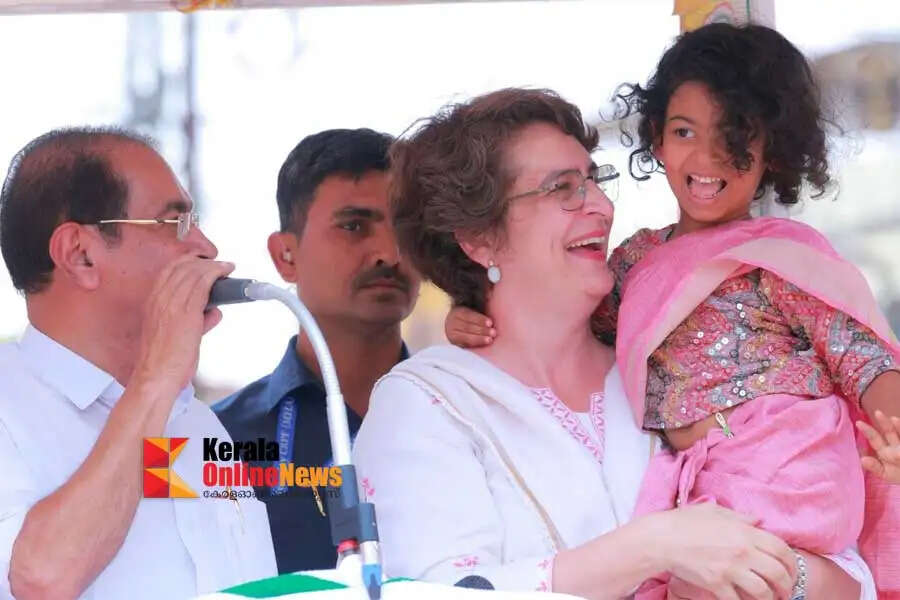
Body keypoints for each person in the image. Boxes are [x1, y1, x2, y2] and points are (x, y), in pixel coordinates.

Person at [352, 88, 872, 599]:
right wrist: (654, 547)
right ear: (478, 237)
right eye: (562, 188)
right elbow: (429, 592)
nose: (600, 206)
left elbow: (849, 569)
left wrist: (775, 575)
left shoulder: (666, 364)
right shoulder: (428, 403)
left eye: (594, 180)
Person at [0, 127, 276, 599]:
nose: (206, 248)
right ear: (80, 254)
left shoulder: (196, 421)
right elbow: (41, 579)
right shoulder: (12, 401)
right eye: (176, 223)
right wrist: (155, 379)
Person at [214, 128, 421, 574]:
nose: (389, 252)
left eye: (404, 226)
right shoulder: (210, 438)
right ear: (285, 255)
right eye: (353, 226)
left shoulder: (466, 416)